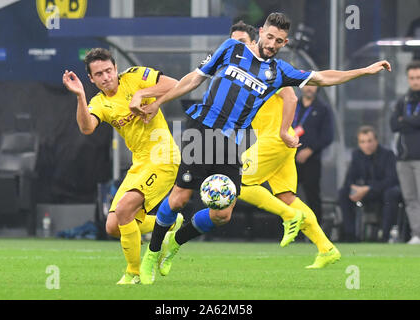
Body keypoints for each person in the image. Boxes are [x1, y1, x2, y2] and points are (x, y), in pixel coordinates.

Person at [134, 12, 391, 285]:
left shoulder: (280, 71)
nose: (272, 43)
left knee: (222, 215)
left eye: (279, 40)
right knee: (179, 199)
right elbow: (194, 79)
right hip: (202, 130)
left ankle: (175, 243)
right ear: (260, 32)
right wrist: (157, 102)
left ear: (284, 42)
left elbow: (323, 78)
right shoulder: (232, 48)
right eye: (269, 36)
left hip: (231, 141)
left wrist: (363, 71)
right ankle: (151, 254)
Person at [62, 48, 183, 285]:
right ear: (91, 79)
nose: (106, 77)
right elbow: (86, 128)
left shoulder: (136, 76)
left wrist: (142, 95)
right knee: (112, 226)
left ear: (116, 69)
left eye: (109, 71)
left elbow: (176, 84)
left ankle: (134, 273)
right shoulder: (100, 102)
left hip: (163, 156)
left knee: (126, 208)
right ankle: (169, 226)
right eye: (99, 74)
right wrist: (79, 96)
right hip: (140, 162)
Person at [230, 21, 340, 268]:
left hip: (276, 139)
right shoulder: (242, 68)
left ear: (253, 39)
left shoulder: (267, 67)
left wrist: (281, 131)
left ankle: (289, 217)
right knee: (288, 196)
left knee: (239, 182)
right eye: (233, 41)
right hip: (278, 141)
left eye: (241, 41)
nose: (237, 46)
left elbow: (290, 95)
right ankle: (326, 248)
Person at [338, 126, 401, 242]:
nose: (366, 145)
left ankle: (385, 236)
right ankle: (350, 235)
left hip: (381, 191)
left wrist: (368, 188)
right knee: (343, 193)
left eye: (369, 141)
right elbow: (349, 179)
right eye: (362, 142)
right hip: (364, 192)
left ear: (376, 140)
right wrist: (354, 188)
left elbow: (392, 180)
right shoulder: (356, 154)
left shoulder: (388, 155)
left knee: (391, 193)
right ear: (358, 143)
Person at [390, 60, 420, 244]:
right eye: (412, 78)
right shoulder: (403, 100)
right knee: (410, 199)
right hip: (403, 158)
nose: (415, 81)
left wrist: (406, 120)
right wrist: (412, 120)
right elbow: (394, 124)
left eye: (418, 77)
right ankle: (417, 234)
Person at [295, 85, 334, 224]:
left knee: (312, 195)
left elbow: (328, 136)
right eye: (307, 84)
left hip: (311, 160)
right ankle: (285, 229)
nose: (309, 88)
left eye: (313, 85)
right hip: (289, 159)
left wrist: (310, 150)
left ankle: (316, 230)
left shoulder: (323, 109)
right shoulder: (293, 104)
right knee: (286, 193)